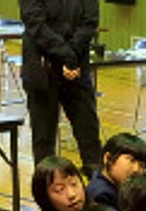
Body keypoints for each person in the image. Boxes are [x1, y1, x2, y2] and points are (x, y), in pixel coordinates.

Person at [20, 0, 102, 177]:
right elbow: (35, 23)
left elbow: (90, 22)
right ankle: (47, 186)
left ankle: (98, 187)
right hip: (43, 69)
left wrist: (71, 56)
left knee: (89, 134)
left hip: (76, 68)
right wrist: (66, 56)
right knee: (44, 139)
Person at [86, 132, 146, 211]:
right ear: (108, 158)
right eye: (131, 160)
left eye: (142, 165)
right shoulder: (101, 196)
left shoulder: (109, 182)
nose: (136, 169)